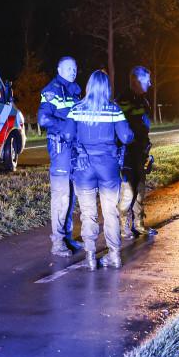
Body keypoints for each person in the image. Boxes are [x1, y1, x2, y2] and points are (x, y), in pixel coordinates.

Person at [69, 69, 134, 269]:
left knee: (88, 213)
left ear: (89, 86)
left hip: (84, 167)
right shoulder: (113, 110)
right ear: (107, 87)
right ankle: (113, 255)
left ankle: (90, 258)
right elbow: (126, 137)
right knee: (110, 212)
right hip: (108, 168)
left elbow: (66, 134)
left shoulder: (77, 109)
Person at [37, 56, 82, 256]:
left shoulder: (74, 91)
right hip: (60, 147)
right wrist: (66, 128)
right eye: (69, 68)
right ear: (59, 69)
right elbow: (43, 118)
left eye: (75, 68)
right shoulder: (51, 90)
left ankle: (67, 237)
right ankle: (57, 243)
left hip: (74, 149)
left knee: (71, 195)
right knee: (61, 195)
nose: (73, 72)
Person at [118, 65, 156, 238]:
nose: (150, 83)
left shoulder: (143, 100)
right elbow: (123, 128)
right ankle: (123, 227)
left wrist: (146, 146)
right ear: (137, 80)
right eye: (147, 80)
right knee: (128, 191)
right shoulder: (124, 99)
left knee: (140, 189)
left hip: (140, 151)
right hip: (127, 152)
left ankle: (139, 224)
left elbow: (143, 127)